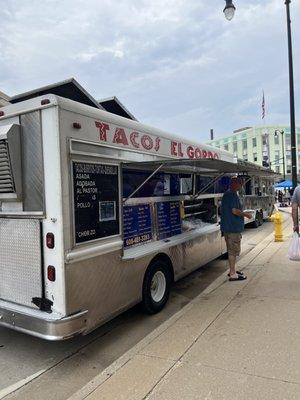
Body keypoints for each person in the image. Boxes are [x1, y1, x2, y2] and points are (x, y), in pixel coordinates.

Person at [221, 177, 252, 281]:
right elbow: (234, 211)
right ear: (235, 184)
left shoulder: (227, 194)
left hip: (227, 227)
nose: (241, 186)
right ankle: (233, 273)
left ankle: (232, 270)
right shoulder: (232, 195)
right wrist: (246, 215)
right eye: (240, 184)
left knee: (230, 250)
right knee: (233, 251)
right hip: (233, 228)